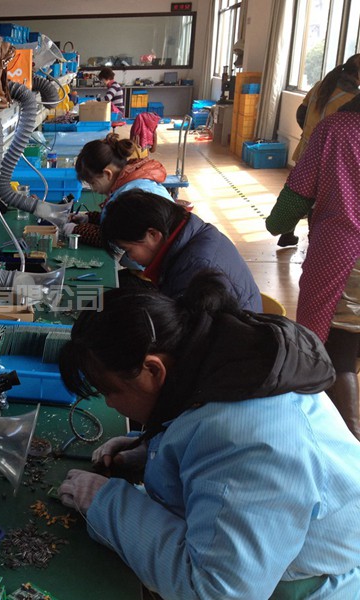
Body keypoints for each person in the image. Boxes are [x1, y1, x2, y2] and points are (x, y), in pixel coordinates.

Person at [56, 272, 360, 599]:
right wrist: (154, 451)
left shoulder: (250, 445)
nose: (110, 405)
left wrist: (105, 503)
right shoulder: (215, 360)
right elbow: (199, 427)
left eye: (110, 391)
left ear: (152, 370)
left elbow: (214, 591)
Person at [266, 93, 360, 440]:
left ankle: (348, 440)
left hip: (343, 255)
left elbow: (298, 193)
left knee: (338, 350)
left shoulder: (336, 128)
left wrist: (277, 224)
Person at [100, 189, 262, 311]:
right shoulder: (195, 235)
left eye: (128, 250)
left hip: (233, 341)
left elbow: (189, 336)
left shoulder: (194, 269)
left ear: (153, 234)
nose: (129, 258)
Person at [278, 54, 360, 247]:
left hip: (306, 149)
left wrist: (312, 137)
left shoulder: (320, 86)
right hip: (328, 158)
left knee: (299, 192)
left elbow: (301, 113)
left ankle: (287, 233)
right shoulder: (351, 100)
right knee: (319, 200)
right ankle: (315, 240)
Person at [64, 134, 173, 247]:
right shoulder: (132, 182)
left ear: (107, 174)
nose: (93, 189)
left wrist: (76, 230)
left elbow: (115, 237)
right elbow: (122, 221)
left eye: (93, 183)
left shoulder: (131, 195)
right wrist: (89, 218)